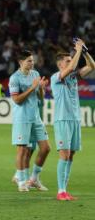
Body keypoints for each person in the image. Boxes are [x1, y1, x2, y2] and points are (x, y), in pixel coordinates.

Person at [51, 39, 95, 200]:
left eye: (71, 60)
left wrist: (84, 51)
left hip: (75, 120)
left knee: (71, 154)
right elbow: (71, 67)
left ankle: (65, 189)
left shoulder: (73, 77)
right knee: (64, 154)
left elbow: (92, 66)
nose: (71, 63)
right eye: (68, 61)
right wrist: (76, 51)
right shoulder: (56, 77)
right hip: (62, 120)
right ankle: (60, 191)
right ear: (60, 64)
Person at [9, 50, 50, 192]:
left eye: (32, 60)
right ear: (21, 62)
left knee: (45, 148)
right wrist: (32, 88)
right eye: (29, 61)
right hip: (22, 118)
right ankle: (21, 181)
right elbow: (16, 100)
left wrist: (41, 89)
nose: (32, 63)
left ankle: (34, 178)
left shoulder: (36, 74)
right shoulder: (15, 78)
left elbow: (41, 99)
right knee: (23, 150)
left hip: (35, 117)